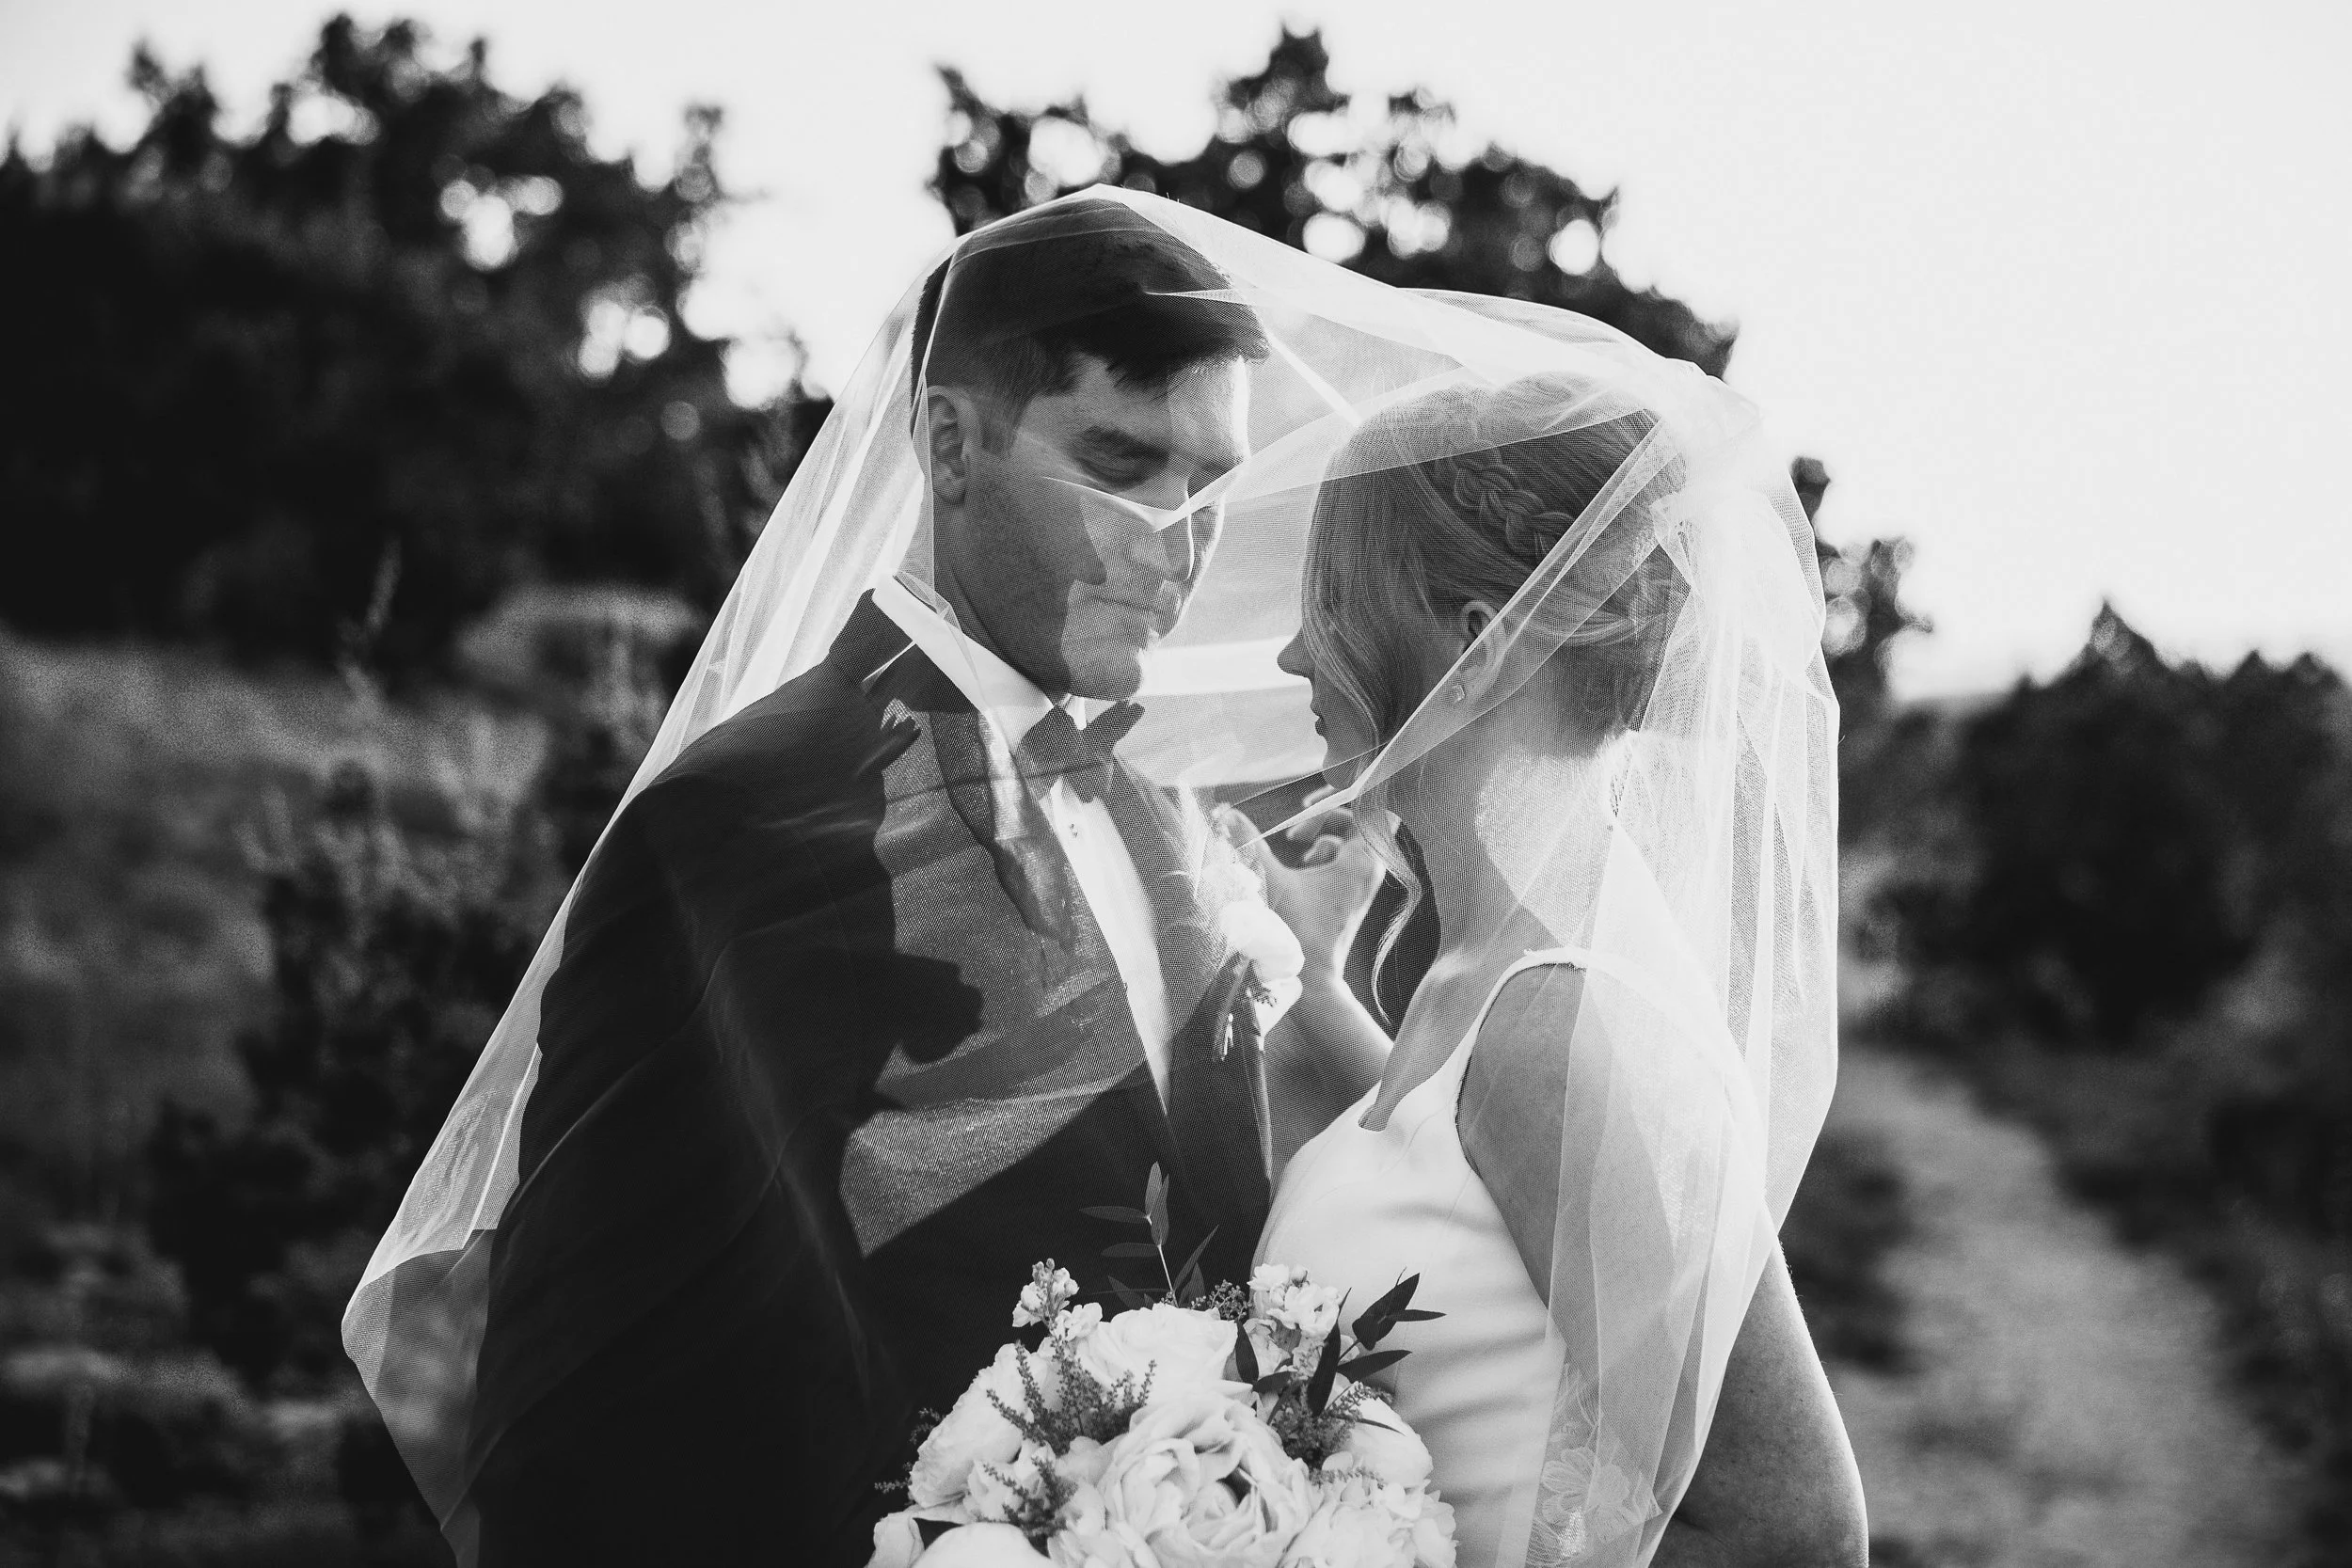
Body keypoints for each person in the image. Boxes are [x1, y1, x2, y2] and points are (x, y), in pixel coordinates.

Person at [1256, 372, 1867, 1565]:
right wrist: (1316, 979)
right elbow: (1459, 1213)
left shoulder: (1558, 1021)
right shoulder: (1476, 986)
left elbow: (1796, 1533)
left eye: (1329, 599)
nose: (1290, 649)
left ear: (1474, 644)